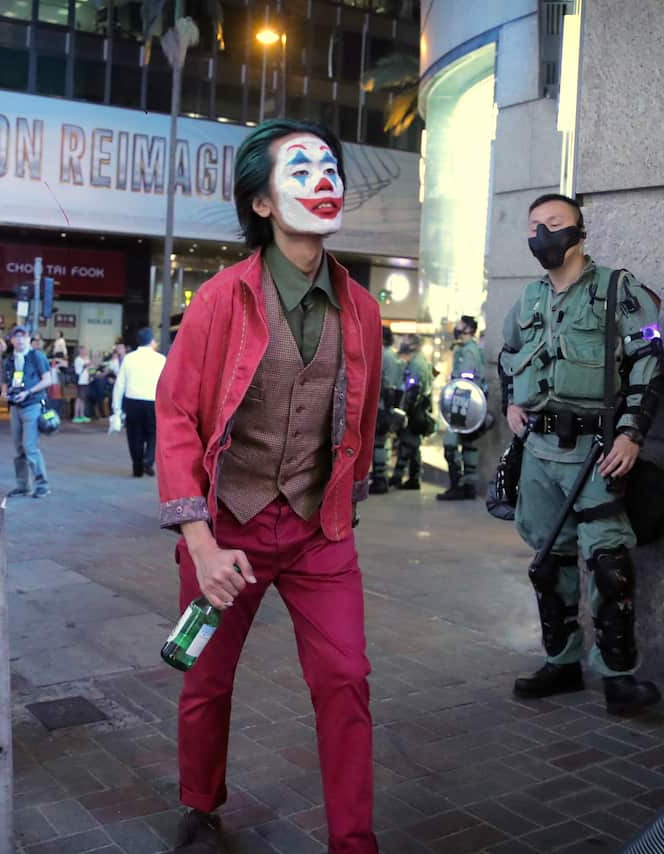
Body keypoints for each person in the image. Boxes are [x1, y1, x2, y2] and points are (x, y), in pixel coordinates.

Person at [155, 118, 382, 852]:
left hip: (319, 532)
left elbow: (364, 420)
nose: (324, 179)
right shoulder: (223, 298)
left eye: (330, 166)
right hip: (228, 529)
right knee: (206, 679)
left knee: (346, 679)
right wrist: (200, 541)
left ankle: (354, 841)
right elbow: (178, 414)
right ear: (260, 204)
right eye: (301, 168)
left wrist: (339, 500)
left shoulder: (364, 310)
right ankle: (199, 803)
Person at [499, 193, 664, 714]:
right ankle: (562, 663)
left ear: (580, 231)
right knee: (549, 562)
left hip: (597, 450)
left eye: (554, 224)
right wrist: (512, 404)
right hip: (540, 451)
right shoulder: (528, 298)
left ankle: (619, 677)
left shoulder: (619, 289)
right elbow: (509, 357)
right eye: (534, 227)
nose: (542, 235)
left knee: (609, 565)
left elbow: (653, 360)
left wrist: (631, 433)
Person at [3, 326, 55, 498]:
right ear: (11, 340)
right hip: (15, 407)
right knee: (19, 448)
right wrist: (7, 394)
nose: (19, 340)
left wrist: (28, 392)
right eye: (16, 337)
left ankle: (42, 485)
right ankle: (23, 486)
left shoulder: (36, 356)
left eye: (23, 336)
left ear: (29, 339)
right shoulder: (9, 360)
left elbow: (48, 380)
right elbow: (5, 385)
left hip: (32, 405)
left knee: (30, 446)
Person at [438, 315, 486, 501]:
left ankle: (457, 485)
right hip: (471, 406)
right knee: (469, 445)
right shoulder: (472, 349)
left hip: (462, 403)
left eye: (460, 324)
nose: (456, 327)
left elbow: (464, 382)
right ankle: (469, 487)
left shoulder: (468, 351)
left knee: (450, 445)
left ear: (467, 329)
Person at [111, 328, 166, 477]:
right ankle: (148, 459)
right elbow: (167, 384)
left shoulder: (129, 358)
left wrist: (116, 408)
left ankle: (137, 467)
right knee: (153, 434)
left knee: (135, 435)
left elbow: (120, 384)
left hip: (132, 401)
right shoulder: (161, 359)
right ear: (151, 341)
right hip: (153, 401)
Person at [388, 334, 433, 490]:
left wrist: (404, 410)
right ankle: (408, 478)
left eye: (406, 341)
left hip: (415, 410)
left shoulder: (416, 363)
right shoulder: (417, 361)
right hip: (417, 409)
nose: (402, 344)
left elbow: (413, 390)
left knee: (409, 443)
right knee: (410, 445)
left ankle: (403, 478)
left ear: (413, 345)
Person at [369, 326, 401, 494]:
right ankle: (381, 476)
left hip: (381, 404)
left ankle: (379, 478)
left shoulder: (382, 354)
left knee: (378, 443)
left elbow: (381, 382)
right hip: (388, 404)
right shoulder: (393, 355)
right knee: (382, 442)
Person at [73, 345, 92, 423]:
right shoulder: (78, 359)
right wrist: (91, 361)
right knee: (79, 398)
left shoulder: (86, 359)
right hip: (80, 381)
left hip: (85, 381)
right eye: (84, 350)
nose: (85, 351)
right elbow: (86, 365)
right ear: (80, 351)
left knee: (83, 399)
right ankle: (76, 416)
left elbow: (90, 368)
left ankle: (82, 415)